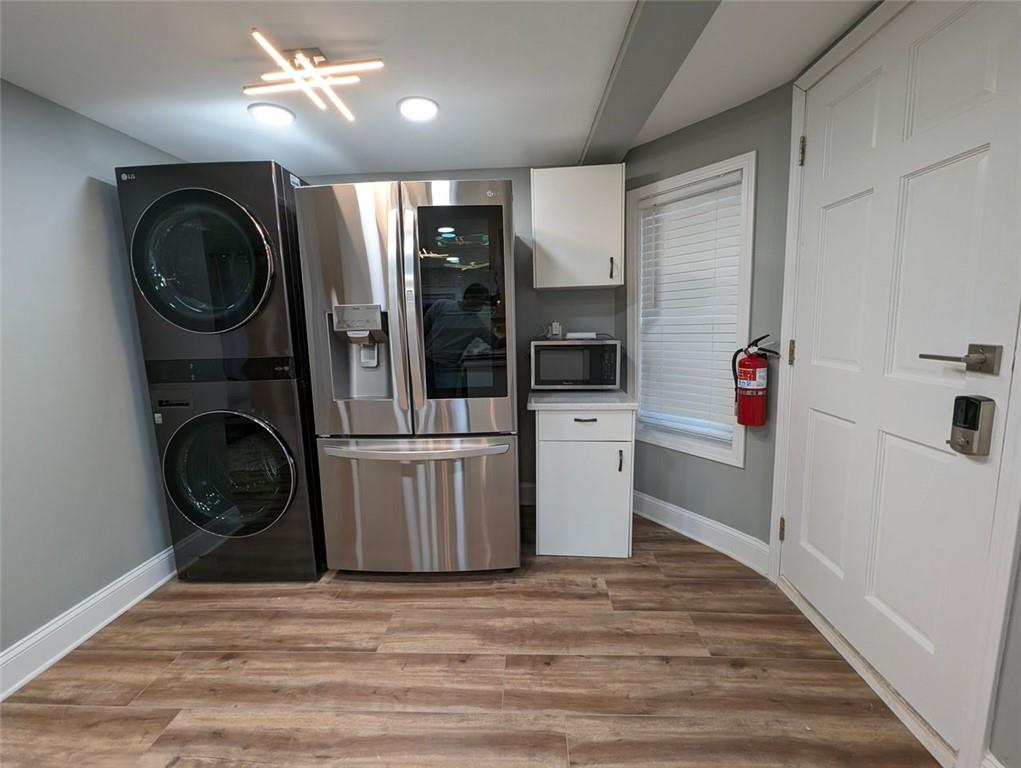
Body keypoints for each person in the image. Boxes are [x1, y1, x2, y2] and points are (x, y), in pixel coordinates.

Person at [423, 283, 495, 395]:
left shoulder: (476, 323)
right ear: (468, 297)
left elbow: (494, 342)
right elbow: (422, 329)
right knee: (425, 398)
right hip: (426, 362)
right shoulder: (441, 305)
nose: (480, 307)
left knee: (445, 401)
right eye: (479, 302)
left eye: (482, 304)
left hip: (448, 367)